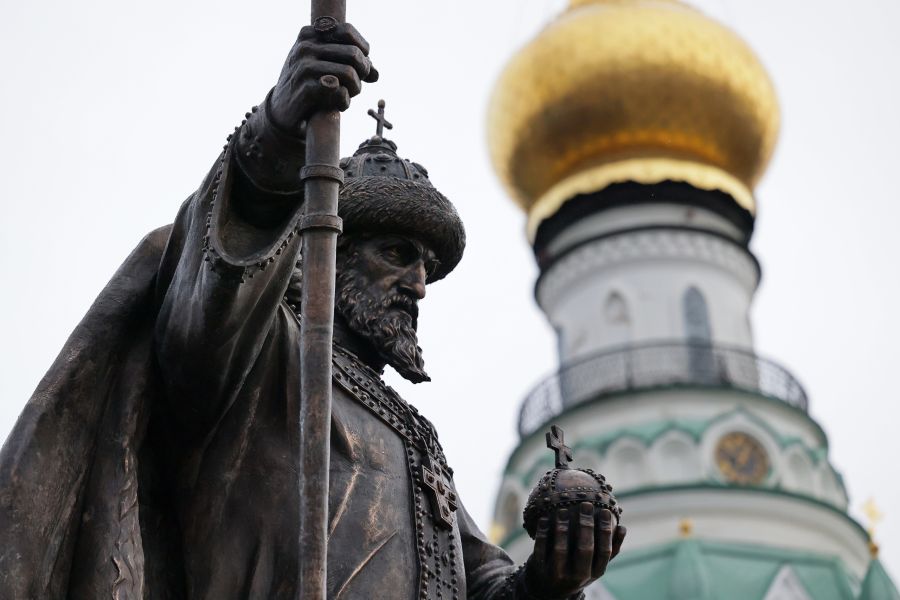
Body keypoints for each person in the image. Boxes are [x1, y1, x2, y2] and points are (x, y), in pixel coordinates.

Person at [0, 22, 624, 599]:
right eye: (397, 254)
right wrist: (276, 133)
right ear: (329, 254)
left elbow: (483, 584)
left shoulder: (414, 438)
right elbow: (216, 289)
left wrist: (551, 578)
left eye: (427, 267)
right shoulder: (262, 356)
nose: (418, 285)